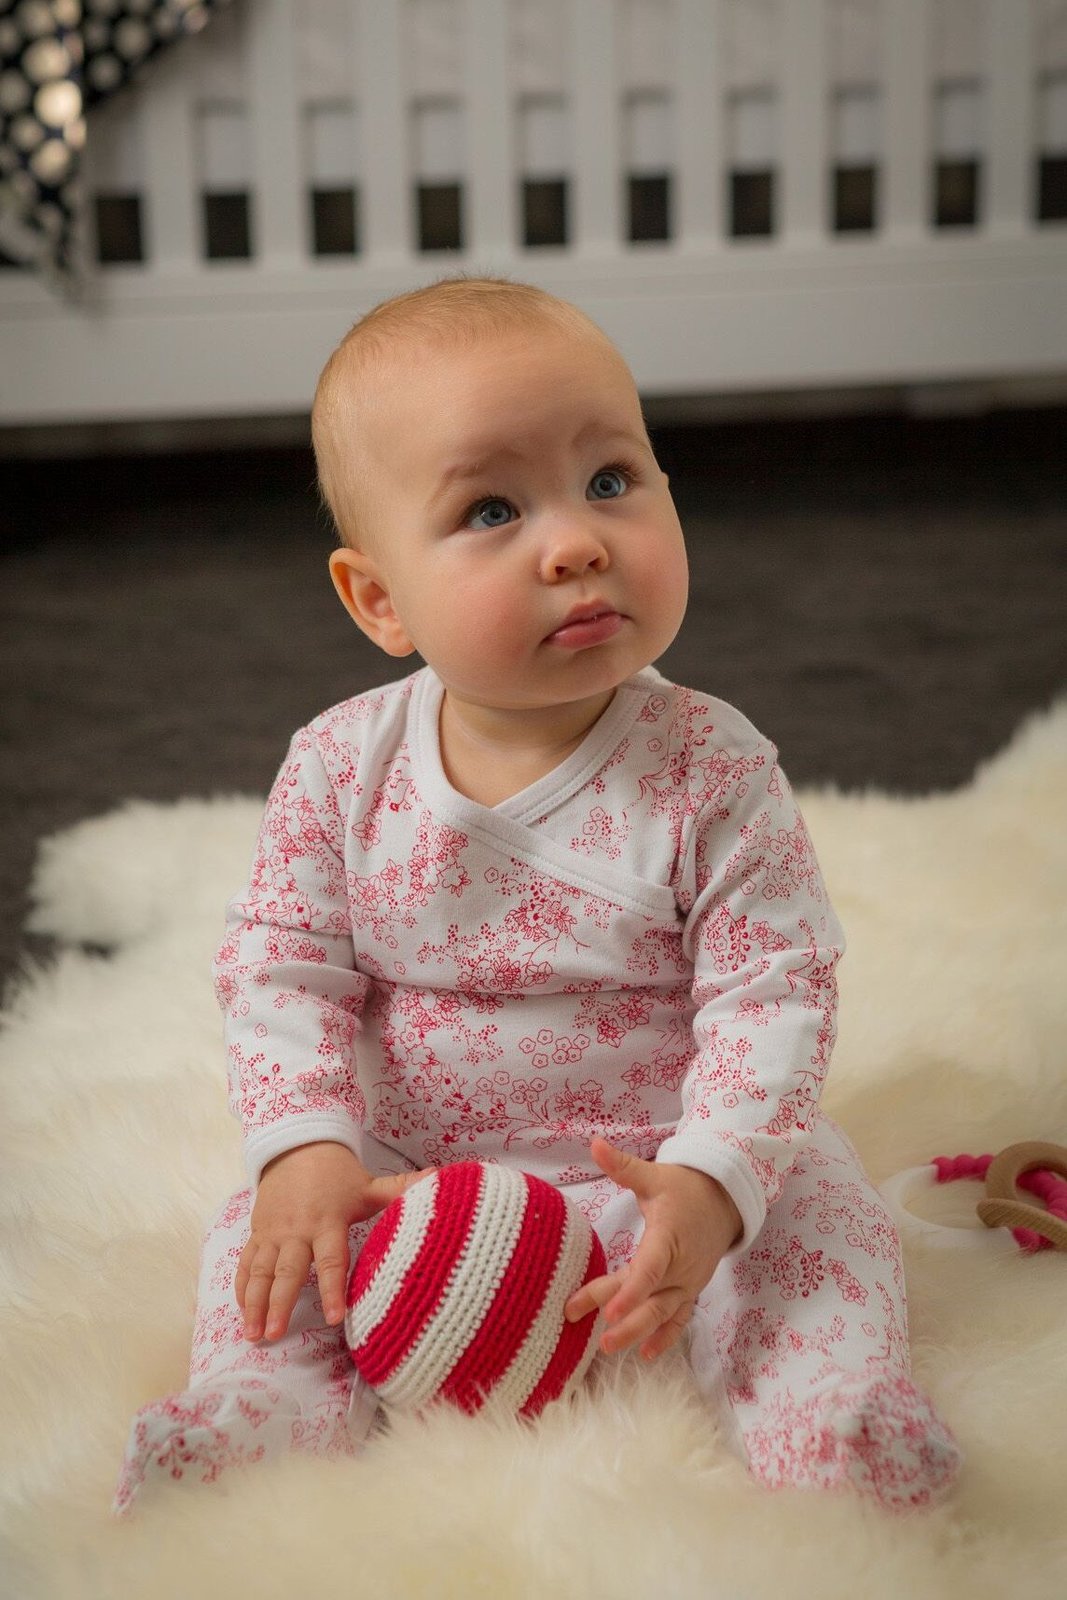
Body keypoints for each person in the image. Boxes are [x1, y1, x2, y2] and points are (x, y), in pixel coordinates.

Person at [115, 276, 960, 1513]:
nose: (574, 541)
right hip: (406, 1179)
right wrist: (307, 1147)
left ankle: (826, 1415)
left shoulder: (712, 771)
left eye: (611, 480)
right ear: (379, 600)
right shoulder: (341, 766)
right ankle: (264, 1409)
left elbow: (771, 990)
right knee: (271, 1235)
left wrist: (716, 1180)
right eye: (492, 508)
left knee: (815, 1212)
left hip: (655, 1165)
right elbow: (280, 965)